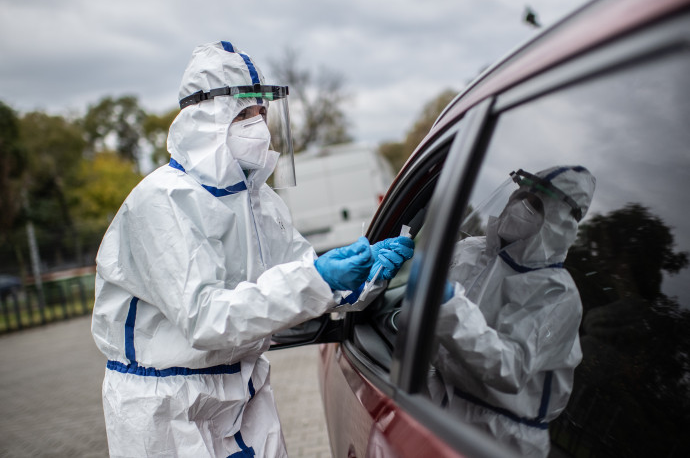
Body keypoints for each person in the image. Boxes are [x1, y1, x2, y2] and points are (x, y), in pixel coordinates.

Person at [91, 41, 413, 458]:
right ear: (204, 119)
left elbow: (299, 276)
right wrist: (315, 280)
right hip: (167, 406)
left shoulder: (259, 201)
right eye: (244, 113)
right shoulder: (164, 201)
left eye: (262, 113)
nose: (258, 126)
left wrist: (365, 276)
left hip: (243, 390)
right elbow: (207, 318)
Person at [429, 166, 596, 457]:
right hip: (436, 407)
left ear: (560, 221)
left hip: (500, 439)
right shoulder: (469, 250)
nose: (520, 207)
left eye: (535, 204)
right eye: (520, 194)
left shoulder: (556, 294)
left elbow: (509, 367)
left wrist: (447, 307)